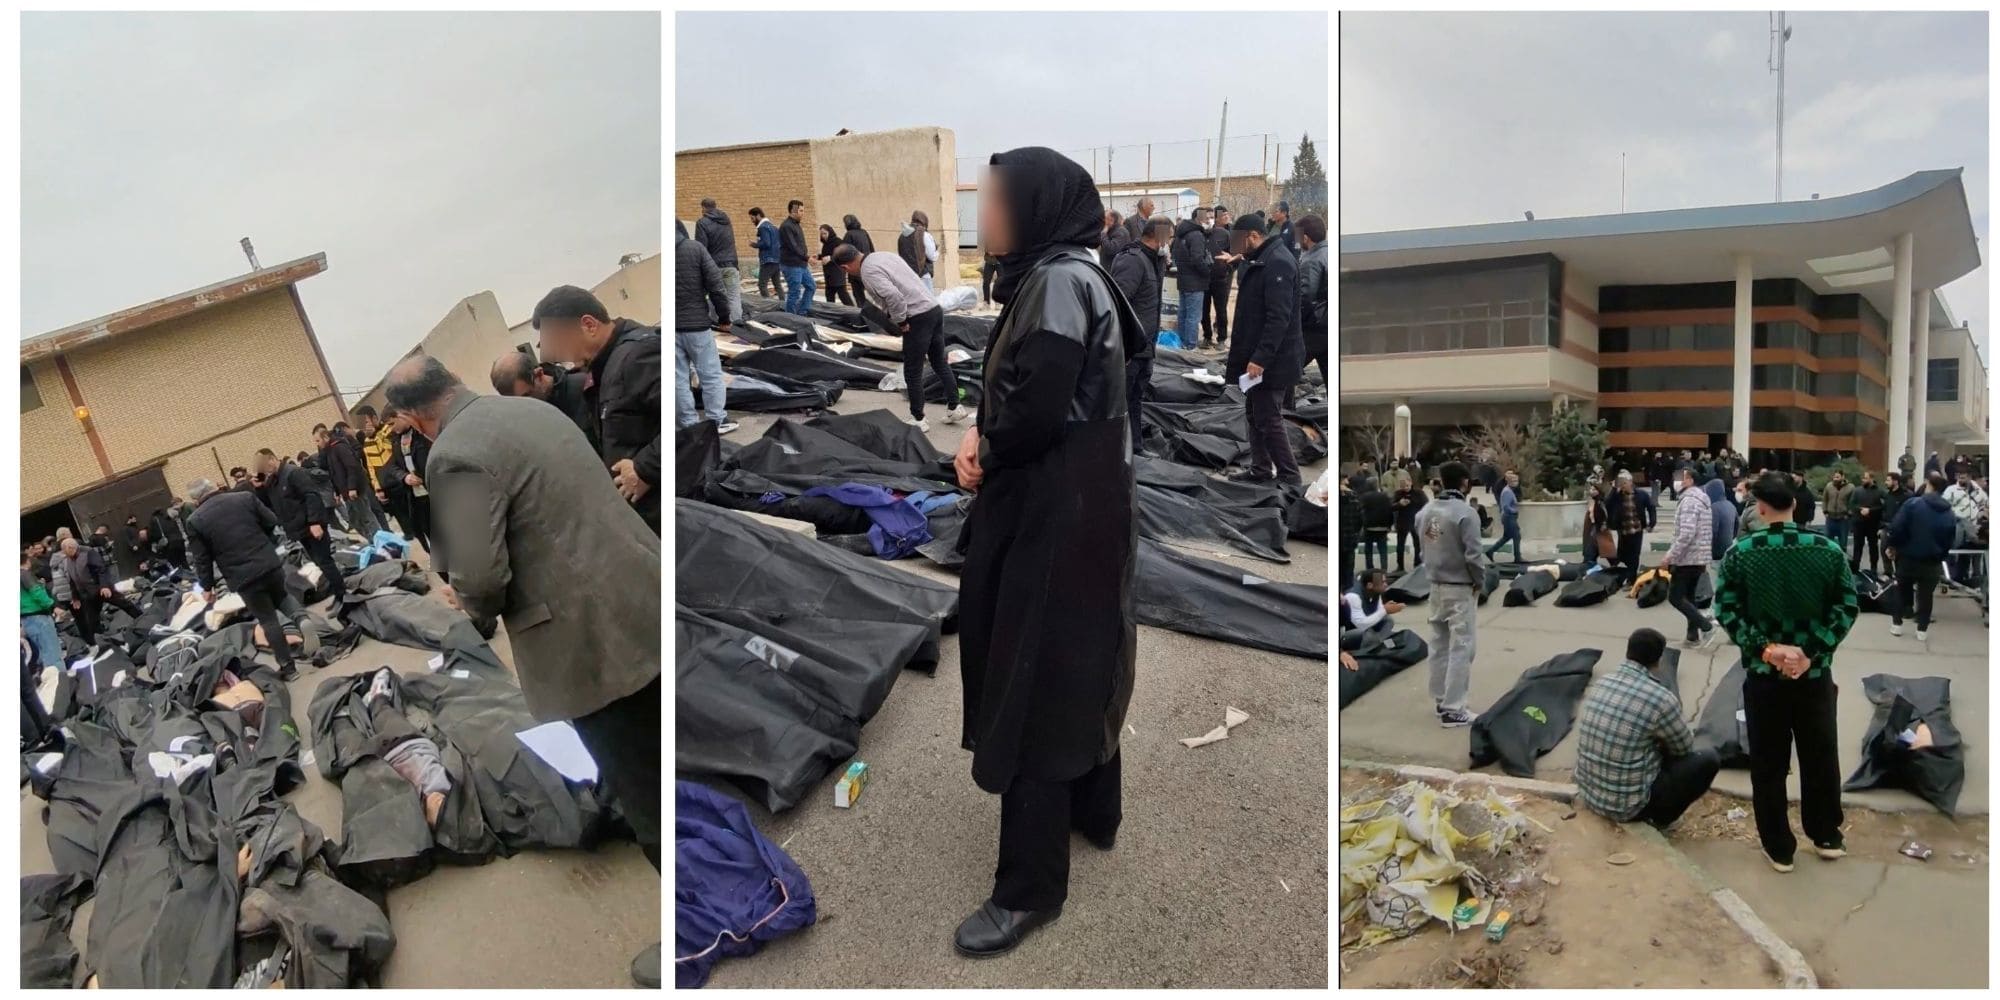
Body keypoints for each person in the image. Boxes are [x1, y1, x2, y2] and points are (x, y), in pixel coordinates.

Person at [383, 356, 662, 987]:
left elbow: (481, 573)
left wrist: (465, 602)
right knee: (659, 746)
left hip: (587, 640)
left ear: (411, 417)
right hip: (639, 594)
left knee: (639, 785)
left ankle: (684, 933)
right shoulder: (531, 410)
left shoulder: (452, 454)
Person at [947, 146, 1143, 959]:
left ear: (1035, 207)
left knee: (1034, 676)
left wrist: (984, 448)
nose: (984, 216)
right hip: (1089, 499)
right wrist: (984, 429)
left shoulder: (1059, 282)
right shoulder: (1071, 273)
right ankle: (1094, 807)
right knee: (1081, 658)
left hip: (1055, 508)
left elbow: (1032, 415)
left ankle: (1030, 889)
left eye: (995, 201)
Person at [1714, 472, 1857, 871]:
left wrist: (1767, 649)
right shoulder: (1828, 551)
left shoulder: (1741, 554)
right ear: (1794, 504)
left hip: (1765, 678)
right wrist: (1809, 653)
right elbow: (1847, 607)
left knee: (1768, 762)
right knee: (1820, 755)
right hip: (1814, 677)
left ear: (1760, 508)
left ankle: (1779, 847)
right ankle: (1826, 834)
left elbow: (1726, 610)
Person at [532, 285, 665, 534]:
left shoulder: (639, 354)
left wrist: (645, 469)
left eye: (561, 342)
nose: (562, 356)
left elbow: (683, 422)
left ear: (589, 325)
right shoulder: (602, 367)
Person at [1574, 628, 1721, 830]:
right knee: (1708, 759)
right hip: (1626, 808)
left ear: (1628, 652)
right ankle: (1661, 819)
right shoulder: (1661, 698)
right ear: (1659, 661)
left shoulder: (1602, 683)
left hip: (1589, 794)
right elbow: (1684, 749)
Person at [184, 477, 308, 679]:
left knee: (268, 619)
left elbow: (202, 558)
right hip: (269, 562)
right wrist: (265, 543)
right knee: (283, 597)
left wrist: (207, 587)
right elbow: (271, 520)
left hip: (242, 576)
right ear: (213, 487)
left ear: (195, 499)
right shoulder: (244, 497)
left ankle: (289, 668)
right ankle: (303, 621)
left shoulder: (195, 521)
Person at [837, 244, 968, 432]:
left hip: (917, 317)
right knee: (939, 361)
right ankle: (955, 407)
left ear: (845, 267)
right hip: (933, 309)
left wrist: (901, 320)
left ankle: (918, 418)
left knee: (912, 370)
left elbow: (893, 296)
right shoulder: (883, 255)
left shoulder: (868, 272)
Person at [1219, 211, 1305, 486]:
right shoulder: (1262, 258)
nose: (1235, 247)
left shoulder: (1278, 263)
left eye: (1238, 241)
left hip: (1274, 359)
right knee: (1254, 413)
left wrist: (1260, 358)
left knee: (1269, 417)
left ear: (1253, 236)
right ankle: (1260, 469)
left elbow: (1278, 318)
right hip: (1258, 354)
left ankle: (1290, 477)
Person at [1417, 461, 1489, 727]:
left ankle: (1440, 699)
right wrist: (1479, 582)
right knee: (1462, 647)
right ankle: (1453, 708)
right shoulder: (1466, 514)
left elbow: (1424, 547)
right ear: (1465, 482)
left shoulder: (1426, 511)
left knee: (1439, 644)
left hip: (1434, 584)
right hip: (1459, 587)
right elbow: (1474, 555)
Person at [1106, 217, 1167, 453]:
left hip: (1146, 347)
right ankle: (1116, 451)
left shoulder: (1153, 260)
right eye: (1169, 237)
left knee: (1135, 398)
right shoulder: (1133, 260)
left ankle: (1135, 447)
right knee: (1121, 400)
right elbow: (1117, 304)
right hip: (1131, 350)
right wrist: (1124, 347)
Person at [254, 447, 346, 604]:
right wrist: (260, 488)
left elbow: (311, 496)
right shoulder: (273, 481)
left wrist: (315, 522)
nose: (262, 468)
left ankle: (342, 595)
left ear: (272, 459)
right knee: (319, 562)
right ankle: (338, 593)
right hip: (300, 530)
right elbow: (268, 503)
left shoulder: (293, 473)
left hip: (311, 526)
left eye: (263, 464)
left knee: (325, 561)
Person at [672, 228, 739, 436]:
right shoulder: (695, 249)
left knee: (678, 379)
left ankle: (689, 425)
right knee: (710, 375)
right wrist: (724, 317)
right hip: (697, 326)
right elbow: (716, 286)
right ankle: (717, 420)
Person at [1885, 473, 1959, 640]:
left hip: (1908, 556)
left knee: (1901, 590)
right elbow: (1950, 538)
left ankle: (1897, 624)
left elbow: (1897, 527)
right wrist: (1941, 555)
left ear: (1928, 485)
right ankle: (1922, 629)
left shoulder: (1913, 504)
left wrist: (1892, 546)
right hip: (1932, 560)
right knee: (1926, 596)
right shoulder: (1948, 512)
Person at [489, 351, 596, 446]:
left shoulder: (586, 387)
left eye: (527, 396)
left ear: (539, 375)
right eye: (516, 403)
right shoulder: (525, 418)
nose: (525, 406)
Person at [1662, 467, 1716, 648]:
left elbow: (1686, 533)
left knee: (1675, 597)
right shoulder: (1701, 499)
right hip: (1699, 556)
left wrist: (1670, 555)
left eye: (1681, 478)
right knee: (1689, 596)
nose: (1677, 481)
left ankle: (1706, 627)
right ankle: (1692, 636)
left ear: (1691, 481)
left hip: (1688, 557)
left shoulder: (1689, 501)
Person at [58, 537, 144, 644]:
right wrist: (75, 597)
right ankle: (104, 642)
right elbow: (72, 580)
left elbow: (101, 570)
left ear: (71, 548)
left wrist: (104, 586)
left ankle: (143, 619)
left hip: (101, 588)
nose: (64, 554)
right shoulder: (68, 560)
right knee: (92, 621)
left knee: (124, 604)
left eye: (65, 551)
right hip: (87, 594)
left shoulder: (88, 552)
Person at [384, 409, 433, 555]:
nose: (391, 428)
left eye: (392, 423)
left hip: (436, 490)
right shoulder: (395, 440)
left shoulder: (423, 433)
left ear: (402, 416)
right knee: (427, 530)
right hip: (415, 495)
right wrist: (404, 477)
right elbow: (391, 466)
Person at [693, 197, 744, 322]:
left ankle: (717, 325)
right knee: (733, 297)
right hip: (731, 265)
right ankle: (737, 325)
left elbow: (701, 248)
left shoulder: (702, 223)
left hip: (713, 267)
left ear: (703, 208)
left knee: (715, 297)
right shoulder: (726, 220)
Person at [352, 405, 400, 533]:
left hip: (401, 479)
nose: (364, 427)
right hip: (387, 486)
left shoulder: (388, 429)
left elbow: (392, 448)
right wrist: (378, 488)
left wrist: (376, 436)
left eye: (366, 422)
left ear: (374, 418)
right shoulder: (367, 442)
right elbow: (371, 467)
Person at [1168, 208, 1211, 346]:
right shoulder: (1196, 235)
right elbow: (1197, 259)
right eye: (1207, 218)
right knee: (1193, 317)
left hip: (1183, 280)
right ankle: (1191, 346)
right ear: (1199, 219)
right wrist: (1208, 272)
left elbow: (1175, 255)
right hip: (1195, 282)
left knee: (1183, 314)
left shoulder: (1181, 234)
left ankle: (1181, 343)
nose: (1209, 221)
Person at [1605, 471, 1656, 586]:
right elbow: (1607, 504)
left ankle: (1631, 580)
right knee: (1622, 555)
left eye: (1624, 483)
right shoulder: (1617, 496)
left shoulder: (1641, 494)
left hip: (1637, 530)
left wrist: (1652, 523)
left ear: (1630, 482)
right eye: (1620, 483)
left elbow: (1651, 507)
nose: (1622, 485)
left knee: (1634, 555)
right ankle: (1625, 574)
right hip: (1623, 530)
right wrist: (1614, 490)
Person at [1295, 215, 1329, 384]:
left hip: (1314, 328)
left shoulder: (1311, 260)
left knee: (1287, 369)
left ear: (1305, 238)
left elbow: (1305, 299)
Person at [1942, 469, 1987, 584]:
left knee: (1971, 555)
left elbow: (1985, 504)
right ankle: (1952, 577)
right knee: (1955, 552)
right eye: (1959, 477)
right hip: (1957, 526)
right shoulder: (1951, 490)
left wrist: (1983, 513)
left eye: (1963, 477)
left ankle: (1971, 578)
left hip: (1974, 527)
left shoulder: (1978, 491)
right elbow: (1944, 506)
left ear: (1969, 477)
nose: (1961, 479)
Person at [20, 550, 63, 671]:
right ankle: (61, 680)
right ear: (27, 561)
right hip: (39, 618)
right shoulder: (24, 574)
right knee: (53, 654)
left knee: (43, 654)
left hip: (26, 620)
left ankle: (51, 679)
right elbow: (37, 593)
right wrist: (53, 606)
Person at [1341, 568, 1404, 644]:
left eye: (1385, 581)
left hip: (1366, 628)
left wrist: (1389, 608)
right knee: (1368, 636)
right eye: (1382, 582)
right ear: (1370, 585)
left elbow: (1379, 613)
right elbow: (1361, 625)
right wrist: (1385, 610)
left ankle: (1381, 643)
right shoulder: (1353, 596)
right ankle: (1378, 643)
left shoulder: (1376, 592)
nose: (1386, 585)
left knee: (1388, 620)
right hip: (1349, 633)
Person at [1203, 205, 1234, 349]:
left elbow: (1236, 255)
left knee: (1221, 309)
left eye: (1227, 214)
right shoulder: (1202, 233)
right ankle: (1207, 336)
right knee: (1204, 310)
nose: (1226, 217)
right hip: (1204, 277)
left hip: (1221, 278)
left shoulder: (1228, 233)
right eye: (1223, 215)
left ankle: (1221, 338)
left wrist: (1227, 269)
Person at [778, 199, 816, 315]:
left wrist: (807, 257)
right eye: (801, 211)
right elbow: (793, 246)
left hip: (801, 264)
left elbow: (799, 245)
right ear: (793, 211)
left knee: (811, 286)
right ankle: (791, 317)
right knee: (794, 292)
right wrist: (807, 258)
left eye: (803, 210)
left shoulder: (796, 225)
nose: (803, 213)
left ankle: (802, 312)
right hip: (791, 265)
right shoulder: (786, 226)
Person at [1484, 470, 1523, 563]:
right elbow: (1505, 506)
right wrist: (1514, 510)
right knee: (1517, 536)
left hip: (1509, 517)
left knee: (1507, 537)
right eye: (1514, 481)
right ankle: (1517, 557)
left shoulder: (1509, 490)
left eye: (1517, 481)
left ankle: (1490, 551)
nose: (1516, 483)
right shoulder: (1507, 492)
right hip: (1509, 517)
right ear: (1509, 481)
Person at [1391, 475, 1428, 572]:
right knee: (1400, 545)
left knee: (1417, 544)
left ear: (1411, 483)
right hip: (1402, 522)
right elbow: (1391, 507)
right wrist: (1399, 504)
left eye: (1407, 486)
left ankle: (1417, 564)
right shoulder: (1398, 494)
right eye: (1403, 486)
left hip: (1415, 521)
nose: (1406, 488)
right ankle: (1400, 566)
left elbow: (1426, 505)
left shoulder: (1419, 493)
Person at [897, 209, 940, 292]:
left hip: (908, 276)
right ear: (924, 222)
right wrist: (937, 251)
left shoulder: (902, 235)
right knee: (928, 300)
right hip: (923, 276)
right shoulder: (924, 234)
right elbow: (932, 257)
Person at [748, 206, 786, 300]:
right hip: (777, 259)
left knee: (762, 284)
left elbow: (766, 243)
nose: (752, 221)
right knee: (777, 284)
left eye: (752, 218)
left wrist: (754, 244)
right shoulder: (773, 227)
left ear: (758, 215)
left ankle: (768, 304)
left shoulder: (763, 227)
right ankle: (783, 304)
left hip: (768, 260)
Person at [840, 214, 876, 308]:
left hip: (855, 269)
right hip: (867, 266)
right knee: (873, 294)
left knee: (859, 295)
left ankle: (863, 313)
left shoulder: (849, 235)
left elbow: (844, 252)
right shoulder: (864, 232)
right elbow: (872, 248)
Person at [1357, 477, 1393, 570]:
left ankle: (1370, 570)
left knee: (1368, 550)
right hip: (1382, 527)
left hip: (1369, 527)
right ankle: (1384, 570)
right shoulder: (1384, 496)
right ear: (1377, 485)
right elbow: (1390, 511)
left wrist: (1361, 525)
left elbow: (1360, 511)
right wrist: (1389, 525)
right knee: (1383, 551)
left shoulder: (1365, 497)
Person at [814, 223, 852, 305]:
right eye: (821, 234)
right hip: (829, 275)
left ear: (830, 232)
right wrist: (819, 256)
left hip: (837, 273)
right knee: (829, 295)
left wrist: (831, 258)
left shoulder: (838, 242)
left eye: (825, 233)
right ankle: (831, 311)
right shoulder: (826, 244)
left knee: (843, 295)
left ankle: (853, 310)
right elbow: (827, 254)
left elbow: (843, 254)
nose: (823, 236)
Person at [1706, 478, 1737, 570]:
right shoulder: (1731, 505)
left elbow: (1712, 531)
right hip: (1729, 547)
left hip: (1716, 552)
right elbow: (1737, 526)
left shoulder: (1714, 508)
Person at [1337, 476, 1362, 594]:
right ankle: (1348, 590)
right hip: (1350, 538)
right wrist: (1356, 533)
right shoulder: (1354, 497)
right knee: (1348, 566)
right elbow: (1359, 519)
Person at [1580, 480, 1611, 567]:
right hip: (1592, 528)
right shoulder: (1593, 501)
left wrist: (1604, 525)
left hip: (1598, 529)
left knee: (1594, 551)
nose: (1591, 491)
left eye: (1594, 489)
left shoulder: (1600, 502)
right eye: (1591, 489)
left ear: (1598, 491)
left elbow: (1605, 515)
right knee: (1591, 553)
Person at [1822, 470, 1853, 553]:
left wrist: (1849, 514)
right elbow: (1825, 499)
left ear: (1843, 477)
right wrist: (1825, 511)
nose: (1835, 479)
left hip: (1843, 519)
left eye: (1838, 477)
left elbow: (1853, 502)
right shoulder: (1829, 486)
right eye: (1834, 477)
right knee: (1828, 541)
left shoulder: (1850, 487)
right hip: (1830, 518)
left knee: (1843, 542)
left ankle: (1843, 557)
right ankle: (1829, 557)